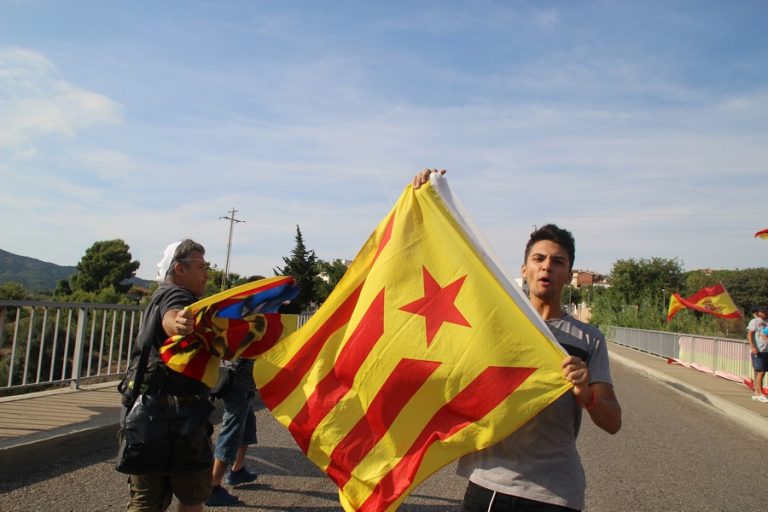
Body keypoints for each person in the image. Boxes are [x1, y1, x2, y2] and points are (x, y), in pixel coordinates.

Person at [413, 170, 622, 512]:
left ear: (569, 273)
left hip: (556, 491)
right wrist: (426, 202)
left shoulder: (589, 339)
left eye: (558, 262)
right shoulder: (493, 323)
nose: (547, 268)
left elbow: (612, 423)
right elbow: (438, 262)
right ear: (524, 269)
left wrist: (586, 394)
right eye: (538, 259)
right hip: (489, 484)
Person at [124, 239, 213, 512]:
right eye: (201, 266)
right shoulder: (179, 296)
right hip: (179, 421)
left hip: (146, 413)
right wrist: (180, 323)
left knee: (145, 502)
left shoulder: (159, 294)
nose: (206, 273)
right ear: (179, 269)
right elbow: (173, 317)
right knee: (190, 497)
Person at [206, 358, 259, 506]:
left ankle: (238, 470)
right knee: (231, 433)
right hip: (237, 384)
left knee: (247, 425)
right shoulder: (242, 335)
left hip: (244, 384)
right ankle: (212, 487)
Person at [746, 307, 768, 402]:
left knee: (762, 373)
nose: (765, 313)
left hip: (766, 350)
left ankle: (757, 392)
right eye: (763, 312)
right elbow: (750, 334)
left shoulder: (767, 322)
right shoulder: (754, 321)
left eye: (766, 312)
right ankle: (759, 393)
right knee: (760, 372)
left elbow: (765, 334)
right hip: (758, 350)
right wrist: (753, 347)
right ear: (758, 313)